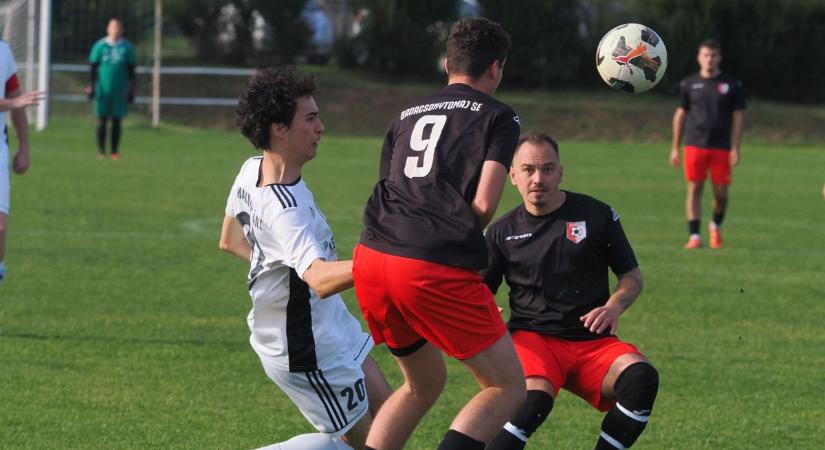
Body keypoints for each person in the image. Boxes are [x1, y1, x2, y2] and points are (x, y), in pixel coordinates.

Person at [353, 17, 526, 450]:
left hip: (371, 260)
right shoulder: (500, 116)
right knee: (505, 387)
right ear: (496, 68)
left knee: (422, 384)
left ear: (447, 63)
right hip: (427, 264)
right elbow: (484, 204)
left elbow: (391, 189)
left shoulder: (406, 114)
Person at [220, 67, 390, 450]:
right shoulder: (286, 209)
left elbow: (229, 240)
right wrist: (384, 264)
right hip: (306, 349)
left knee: (393, 416)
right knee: (369, 446)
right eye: (311, 118)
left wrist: (279, 275)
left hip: (329, 324)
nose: (321, 127)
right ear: (280, 128)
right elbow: (318, 279)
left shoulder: (251, 170)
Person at [484, 133, 659, 450]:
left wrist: (614, 307)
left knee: (641, 379)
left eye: (548, 169)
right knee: (530, 400)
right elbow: (479, 290)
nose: (539, 179)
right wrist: (483, 311)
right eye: (528, 170)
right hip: (533, 340)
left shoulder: (596, 215)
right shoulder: (501, 231)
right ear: (513, 176)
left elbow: (631, 276)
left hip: (592, 342)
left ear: (560, 172)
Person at [670, 39, 745, 249]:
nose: (709, 59)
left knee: (721, 195)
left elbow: (739, 117)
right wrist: (675, 147)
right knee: (694, 189)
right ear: (699, 57)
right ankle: (694, 236)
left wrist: (736, 147)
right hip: (694, 144)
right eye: (705, 55)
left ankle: (715, 225)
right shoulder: (689, 84)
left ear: (719, 57)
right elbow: (680, 115)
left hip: (721, 147)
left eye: (713, 55)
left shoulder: (732, 85)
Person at [0, 38, 44, 287]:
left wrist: (24, 147)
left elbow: (17, 100)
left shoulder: (4, 50)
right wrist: (12, 102)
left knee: (0, 230)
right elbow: (14, 101)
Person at [86, 17, 136, 161]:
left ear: (122, 30)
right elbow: (93, 68)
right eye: (113, 27)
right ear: (108, 29)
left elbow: (132, 70)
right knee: (102, 120)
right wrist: (91, 86)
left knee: (117, 121)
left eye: (119, 27)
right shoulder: (100, 46)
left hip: (119, 90)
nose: (116, 30)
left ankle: (114, 152)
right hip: (102, 89)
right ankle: (101, 151)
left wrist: (132, 89)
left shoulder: (127, 47)